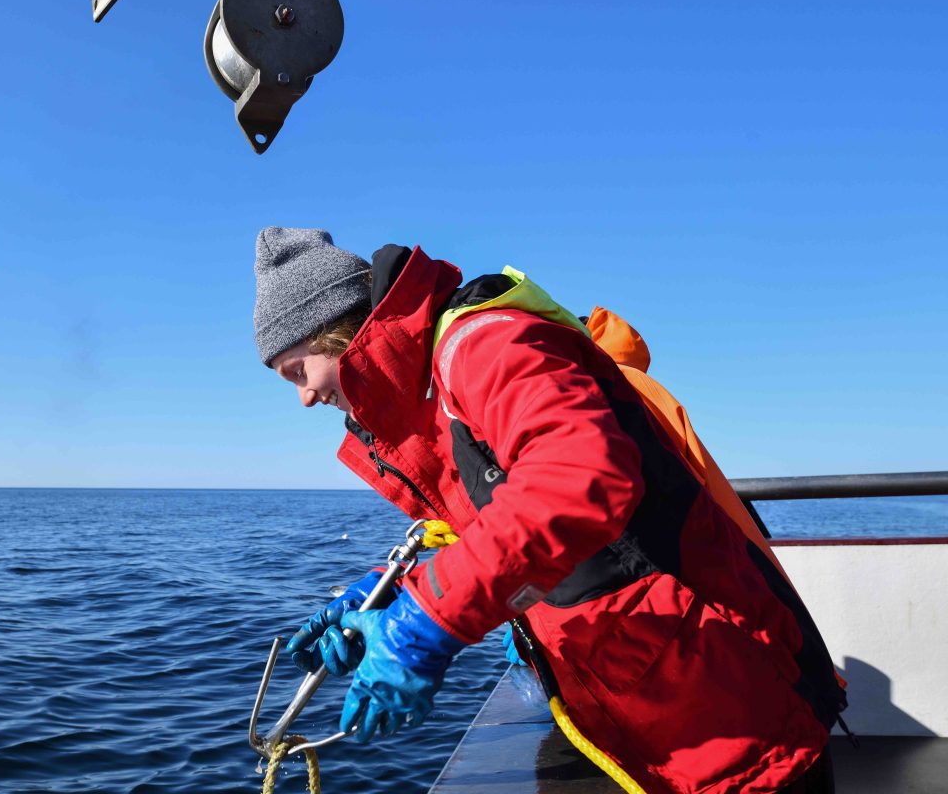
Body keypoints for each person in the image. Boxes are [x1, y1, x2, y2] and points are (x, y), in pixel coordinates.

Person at [252, 227, 845, 794]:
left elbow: (576, 479)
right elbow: (495, 523)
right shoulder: (435, 386)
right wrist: (395, 593)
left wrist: (426, 621)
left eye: (298, 372)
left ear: (335, 331)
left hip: (726, 707)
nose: (305, 397)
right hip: (657, 705)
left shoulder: (483, 345)